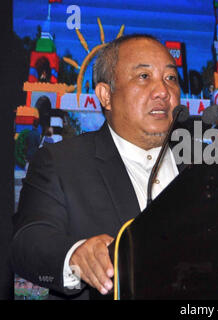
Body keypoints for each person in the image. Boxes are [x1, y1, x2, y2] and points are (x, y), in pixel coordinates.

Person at [11, 34, 183, 299]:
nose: (163, 90)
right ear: (106, 95)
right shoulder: (61, 163)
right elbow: (27, 243)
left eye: (171, 78)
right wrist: (75, 256)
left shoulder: (206, 162)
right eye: (144, 77)